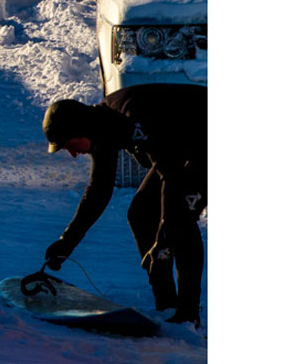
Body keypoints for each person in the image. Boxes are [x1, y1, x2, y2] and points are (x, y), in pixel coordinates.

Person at [41, 83, 207, 327]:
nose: (73, 154)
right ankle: (166, 304)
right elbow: (98, 190)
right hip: (183, 151)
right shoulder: (101, 127)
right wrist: (67, 242)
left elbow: (171, 175)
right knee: (141, 214)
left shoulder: (131, 117)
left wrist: (163, 240)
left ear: (80, 129)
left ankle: (187, 314)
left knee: (179, 220)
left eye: (69, 145)